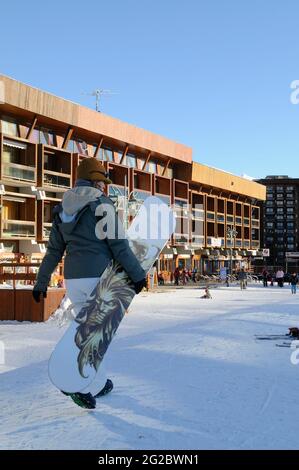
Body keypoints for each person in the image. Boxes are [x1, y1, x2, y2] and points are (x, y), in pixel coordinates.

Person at [32, 158, 147, 409]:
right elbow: (118, 244)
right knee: (97, 336)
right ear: (94, 180)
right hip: (99, 278)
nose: (104, 187)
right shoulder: (101, 205)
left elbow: (53, 251)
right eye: (102, 181)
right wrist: (137, 274)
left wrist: (41, 282)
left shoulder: (63, 209)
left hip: (73, 279)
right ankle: (79, 382)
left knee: (89, 333)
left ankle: (98, 382)